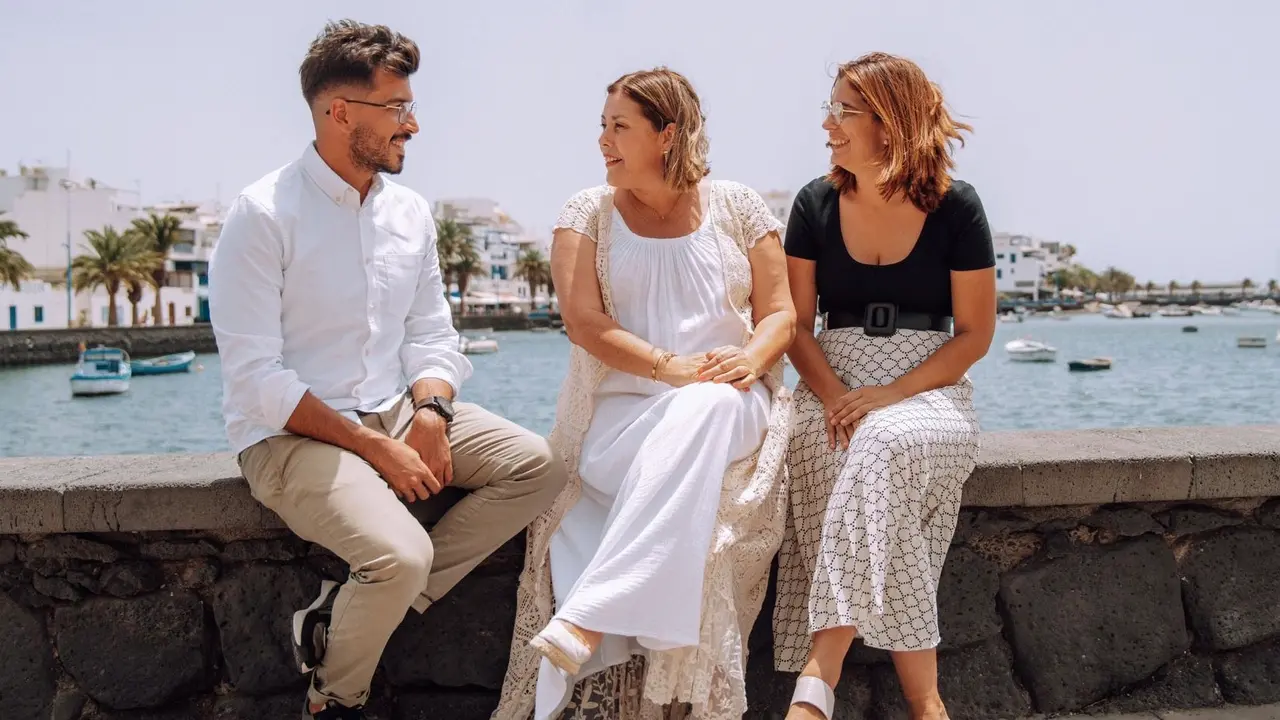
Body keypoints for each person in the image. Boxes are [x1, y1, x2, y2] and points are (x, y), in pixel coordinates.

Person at [207, 20, 567, 720]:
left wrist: (430, 410)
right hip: (287, 436)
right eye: (397, 108)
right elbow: (254, 379)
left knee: (539, 466)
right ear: (339, 112)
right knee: (399, 557)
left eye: (410, 105)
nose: (414, 124)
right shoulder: (262, 214)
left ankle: (352, 609)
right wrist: (376, 448)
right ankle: (333, 699)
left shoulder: (410, 213)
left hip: (396, 409)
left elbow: (431, 333)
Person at [492, 68, 796, 720]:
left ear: (666, 134)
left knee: (707, 404)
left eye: (619, 126)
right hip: (621, 421)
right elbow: (583, 322)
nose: (603, 140)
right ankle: (628, 611)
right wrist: (669, 367)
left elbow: (782, 315)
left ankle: (589, 616)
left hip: (730, 403)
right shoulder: (587, 213)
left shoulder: (739, 206)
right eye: (602, 126)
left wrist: (749, 358)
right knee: (688, 412)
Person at [774, 52, 997, 720]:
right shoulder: (813, 203)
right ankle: (926, 703)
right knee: (836, 450)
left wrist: (891, 395)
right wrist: (837, 396)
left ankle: (819, 675)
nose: (828, 124)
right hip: (830, 383)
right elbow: (796, 326)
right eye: (830, 108)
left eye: (843, 110)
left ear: (889, 120)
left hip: (931, 389)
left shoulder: (957, 207)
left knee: (883, 441)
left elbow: (974, 335)